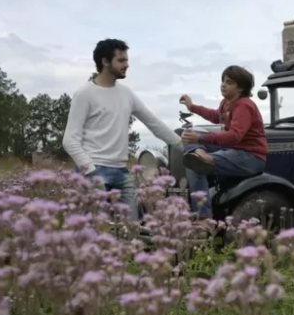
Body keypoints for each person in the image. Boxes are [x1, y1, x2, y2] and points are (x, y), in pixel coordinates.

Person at [62, 38, 183, 221]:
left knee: (131, 228)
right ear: (105, 62)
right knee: (95, 229)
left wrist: (184, 147)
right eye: (121, 60)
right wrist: (91, 171)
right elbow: (70, 140)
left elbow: (154, 123)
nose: (127, 65)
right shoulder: (84, 94)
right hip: (94, 170)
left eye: (126, 60)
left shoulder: (126, 94)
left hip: (121, 172)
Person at [179, 65, 267, 219]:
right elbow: (215, 116)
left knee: (198, 139)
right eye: (223, 81)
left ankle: (203, 217)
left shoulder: (244, 105)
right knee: (192, 144)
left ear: (240, 88)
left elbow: (234, 136)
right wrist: (192, 107)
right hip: (233, 151)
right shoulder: (226, 103)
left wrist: (200, 139)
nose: (223, 84)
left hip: (250, 157)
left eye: (229, 82)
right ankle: (199, 156)